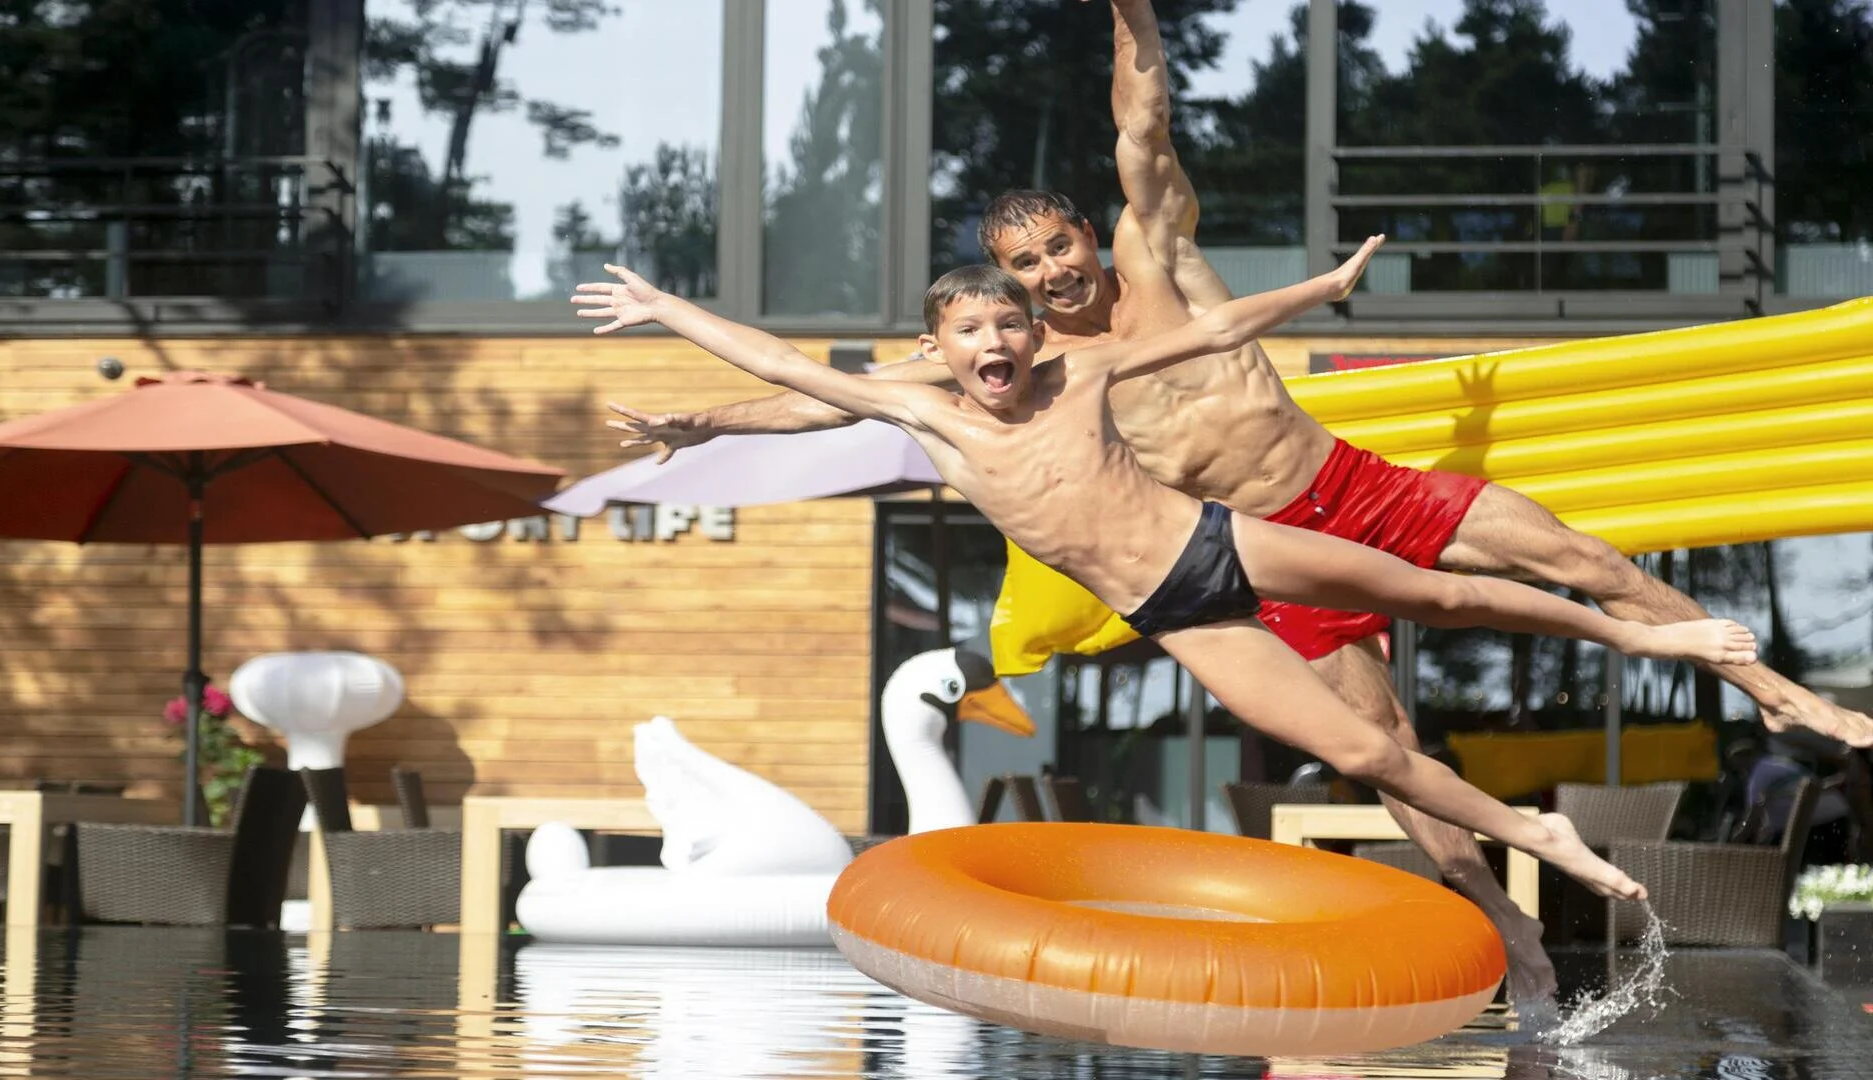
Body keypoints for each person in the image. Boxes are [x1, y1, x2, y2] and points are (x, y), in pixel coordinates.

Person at [600, 0, 1873, 1005]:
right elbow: (819, 396)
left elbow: (1140, 122)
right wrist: (697, 420)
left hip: (1333, 486)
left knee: (1578, 557)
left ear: (1089, 242)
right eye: (1025, 266)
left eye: (1060, 249)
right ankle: (1511, 940)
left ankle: (1778, 692)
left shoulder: (1154, 251)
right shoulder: (1007, 362)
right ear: (1004, 284)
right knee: (1394, 763)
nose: (1052, 271)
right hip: (1252, 566)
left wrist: (1130, 12)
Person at [573, 251, 1770, 913]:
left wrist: (1319, 292)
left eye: (1009, 324)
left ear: (1028, 335)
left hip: (1222, 541)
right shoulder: (918, 413)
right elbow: (784, 372)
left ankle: (1647, 642)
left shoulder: (1081, 374)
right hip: (1173, 613)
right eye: (969, 333)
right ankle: (1537, 835)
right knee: (1362, 755)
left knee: (1441, 593)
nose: (994, 345)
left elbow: (1213, 329)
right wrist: (670, 331)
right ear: (936, 351)